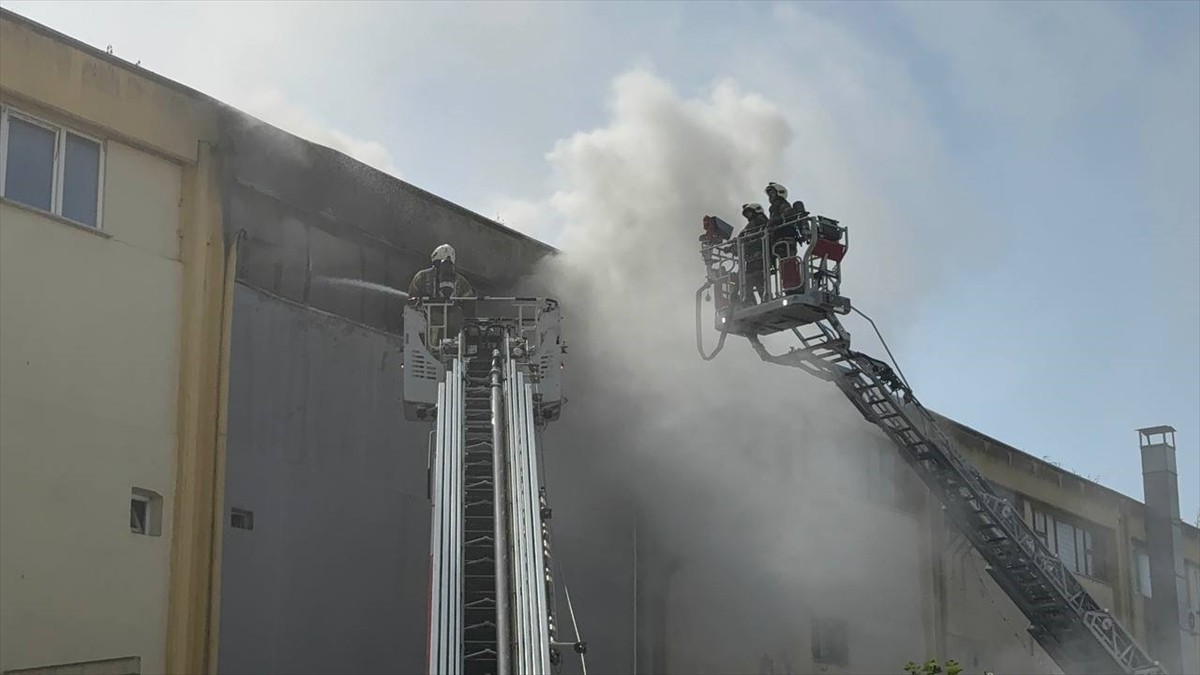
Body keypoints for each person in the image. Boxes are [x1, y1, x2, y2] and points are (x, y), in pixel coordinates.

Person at [407, 244, 476, 346]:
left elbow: (412, 302)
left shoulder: (421, 277)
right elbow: (469, 304)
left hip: (430, 326)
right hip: (452, 328)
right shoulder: (461, 281)